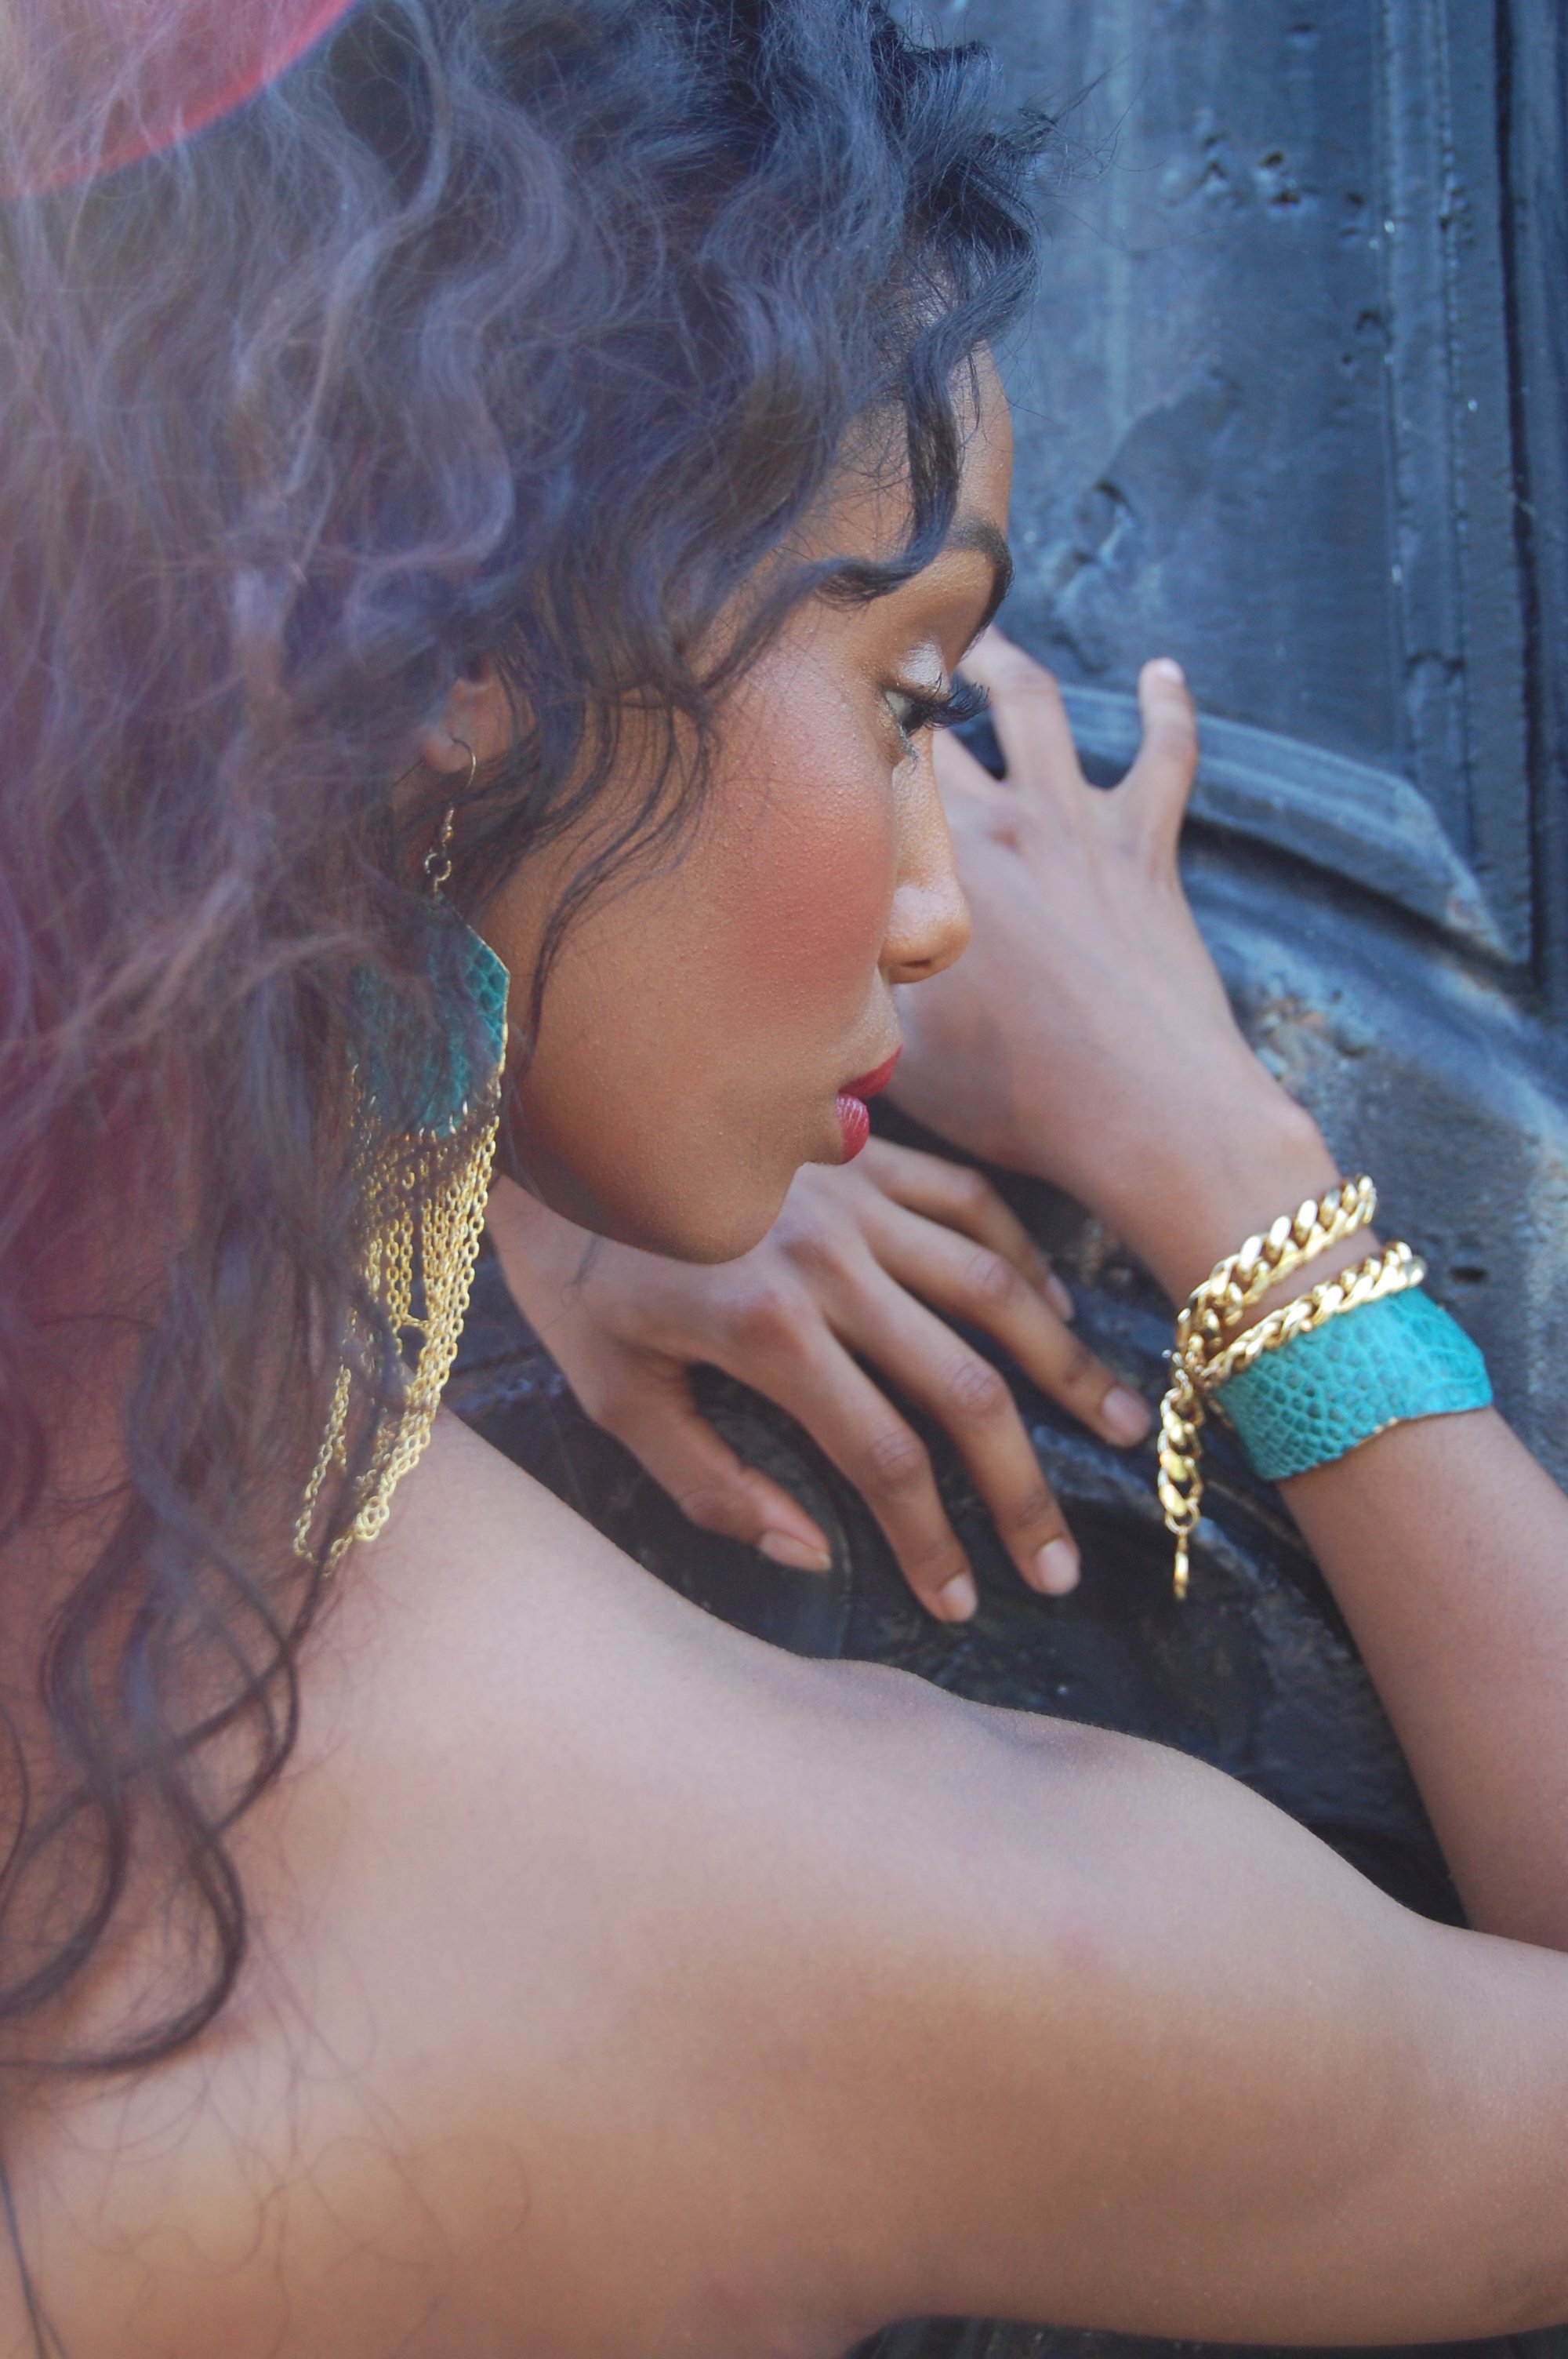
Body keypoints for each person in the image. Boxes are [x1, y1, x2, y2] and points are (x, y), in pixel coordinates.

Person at [3, 4, 1568, 2355]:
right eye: (911, 697)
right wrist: (1241, 1182)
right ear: (467, 648)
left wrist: (495, 1175)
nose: (939, 905)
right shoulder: (783, 1910)